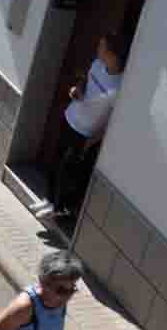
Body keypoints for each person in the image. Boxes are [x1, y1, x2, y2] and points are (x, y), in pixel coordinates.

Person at [50, 33, 126, 217]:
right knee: (56, 160)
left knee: (68, 169)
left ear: (112, 53)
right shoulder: (97, 65)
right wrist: (78, 89)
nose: (98, 49)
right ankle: (50, 201)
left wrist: (93, 140)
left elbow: (113, 119)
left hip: (85, 132)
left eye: (102, 46)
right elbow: (87, 80)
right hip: (71, 117)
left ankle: (59, 209)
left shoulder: (120, 85)